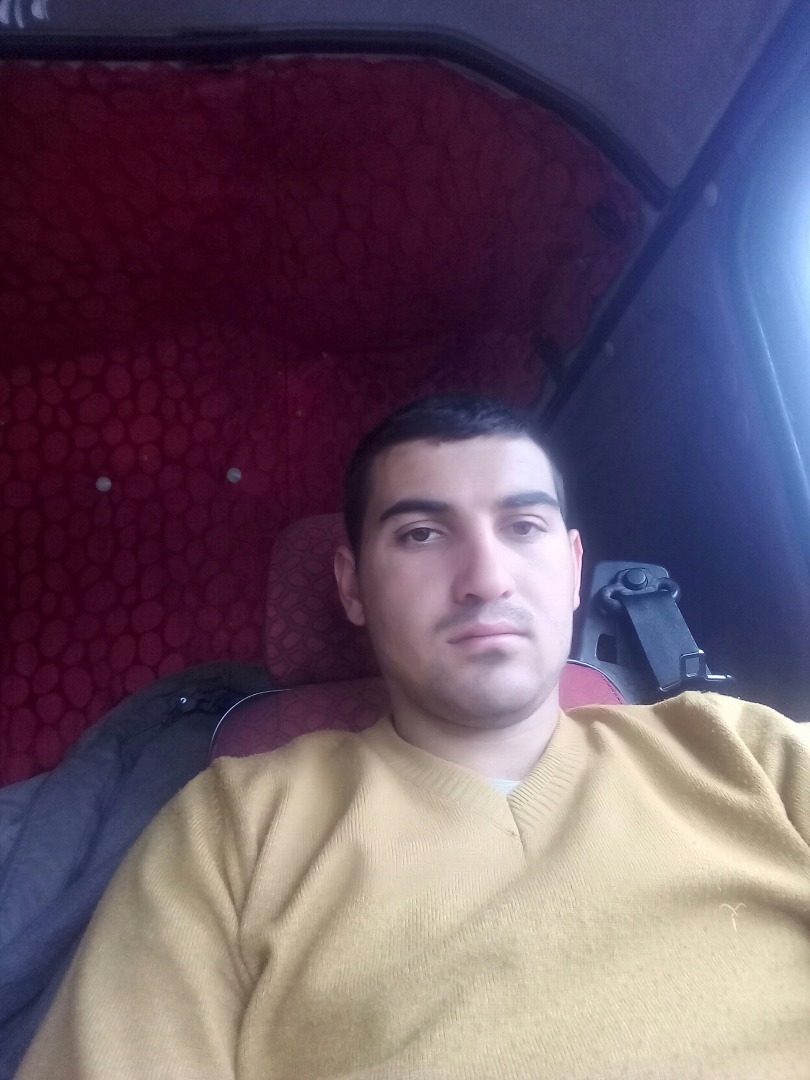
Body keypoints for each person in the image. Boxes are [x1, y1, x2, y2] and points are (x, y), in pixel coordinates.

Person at [17, 394, 810, 1080]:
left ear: (573, 570)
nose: (487, 578)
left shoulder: (747, 752)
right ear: (352, 587)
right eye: (423, 534)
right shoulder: (231, 828)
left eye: (523, 525)